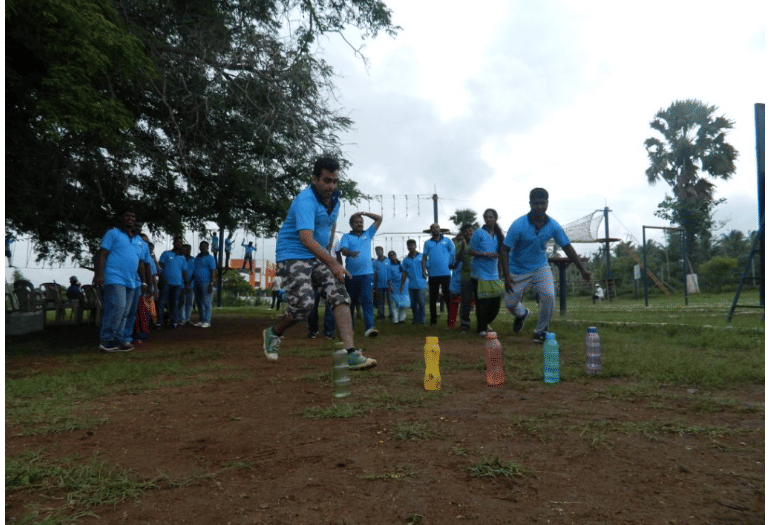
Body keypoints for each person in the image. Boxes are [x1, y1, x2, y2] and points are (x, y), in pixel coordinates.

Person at [262, 157, 377, 370]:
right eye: (326, 181)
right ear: (314, 179)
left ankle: (351, 353)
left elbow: (330, 225)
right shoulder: (305, 201)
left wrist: (329, 252)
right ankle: (274, 332)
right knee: (303, 306)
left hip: (318, 254)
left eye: (334, 181)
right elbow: (306, 239)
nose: (331, 186)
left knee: (340, 295)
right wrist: (333, 263)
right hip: (293, 254)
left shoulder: (335, 200)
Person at [500, 188, 591, 343]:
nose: (539, 207)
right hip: (517, 269)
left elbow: (567, 247)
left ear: (547, 203)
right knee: (510, 303)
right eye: (536, 203)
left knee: (549, 295)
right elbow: (504, 249)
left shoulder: (553, 226)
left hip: (540, 267)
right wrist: (507, 275)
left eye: (542, 203)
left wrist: (582, 269)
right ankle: (522, 314)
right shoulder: (518, 225)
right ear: (530, 204)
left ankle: (541, 331)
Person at [93, 211, 145, 352]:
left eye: (133, 216)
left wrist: (142, 281)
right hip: (114, 277)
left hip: (131, 280)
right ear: (121, 218)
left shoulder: (138, 239)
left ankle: (119, 340)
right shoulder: (113, 233)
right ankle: (107, 340)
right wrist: (99, 274)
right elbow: (101, 254)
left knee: (125, 312)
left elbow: (139, 261)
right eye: (127, 216)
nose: (130, 218)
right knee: (117, 308)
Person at [339, 211, 383, 338]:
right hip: (351, 275)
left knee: (367, 301)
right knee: (350, 303)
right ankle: (349, 329)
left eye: (361, 222)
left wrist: (364, 213)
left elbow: (379, 218)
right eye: (357, 222)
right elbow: (343, 250)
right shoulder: (346, 236)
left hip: (367, 275)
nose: (359, 224)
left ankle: (369, 328)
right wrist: (349, 253)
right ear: (351, 224)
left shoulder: (368, 233)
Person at [470, 209, 505, 336]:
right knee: (482, 303)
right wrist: (485, 254)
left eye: (491, 217)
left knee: (495, 303)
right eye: (487, 217)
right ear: (484, 219)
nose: (489, 219)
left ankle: (484, 323)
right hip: (479, 274)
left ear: (496, 218)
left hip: (494, 274)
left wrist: (501, 270)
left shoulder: (499, 234)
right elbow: (470, 251)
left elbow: (502, 254)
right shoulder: (479, 233)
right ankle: (481, 328)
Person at [422, 223, 455, 326]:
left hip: (445, 273)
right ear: (431, 230)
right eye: (433, 228)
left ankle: (451, 321)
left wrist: (453, 265)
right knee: (433, 298)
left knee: (448, 297)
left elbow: (453, 253)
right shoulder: (427, 243)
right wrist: (424, 269)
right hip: (432, 274)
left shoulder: (447, 241)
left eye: (437, 227)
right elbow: (424, 258)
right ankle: (433, 321)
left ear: (440, 229)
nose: (435, 229)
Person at [307, 234, 340, 339]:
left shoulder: (335, 238)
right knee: (313, 304)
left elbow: (338, 256)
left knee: (329, 304)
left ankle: (327, 331)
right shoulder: (313, 235)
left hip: (329, 274)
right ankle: (316, 330)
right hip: (315, 273)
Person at [157, 236, 189, 329]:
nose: (180, 244)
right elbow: (160, 267)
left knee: (175, 303)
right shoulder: (166, 254)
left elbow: (184, 271)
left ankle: (173, 321)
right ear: (174, 243)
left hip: (177, 284)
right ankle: (159, 322)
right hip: (166, 283)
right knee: (162, 302)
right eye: (178, 242)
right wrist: (161, 278)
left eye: (181, 242)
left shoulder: (182, 258)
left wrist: (186, 283)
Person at [455, 224, 475, 332]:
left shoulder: (477, 242)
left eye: (470, 230)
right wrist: (463, 245)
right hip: (466, 276)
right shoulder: (459, 245)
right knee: (466, 301)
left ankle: (483, 324)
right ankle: (465, 324)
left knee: (480, 301)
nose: (468, 233)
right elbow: (458, 259)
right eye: (466, 231)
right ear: (463, 234)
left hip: (478, 275)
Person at [401, 239, 426, 324]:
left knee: (421, 303)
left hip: (421, 284)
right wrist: (402, 284)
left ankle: (422, 319)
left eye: (412, 245)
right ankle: (415, 319)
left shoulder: (422, 256)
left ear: (415, 246)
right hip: (411, 285)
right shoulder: (406, 260)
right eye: (409, 245)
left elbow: (427, 266)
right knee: (413, 304)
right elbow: (404, 273)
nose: (411, 247)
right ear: (407, 247)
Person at [193, 241, 217, 327]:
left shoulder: (210, 258)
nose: (202, 248)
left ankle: (207, 321)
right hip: (197, 282)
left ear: (207, 248)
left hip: (206, 282)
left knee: (206, 302)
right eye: (201, 246)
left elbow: (213, 271)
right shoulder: (197, 257)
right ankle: (201, 320)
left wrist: (211, 283)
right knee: (199, 302)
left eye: (204, 246)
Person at [387, 250, 409, 323]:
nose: (392, 256)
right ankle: (395, 320)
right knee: (394, 304)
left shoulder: (402, 264)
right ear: (389, 257)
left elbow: (406, 273)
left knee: (404, 304)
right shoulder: (389, 267)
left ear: (396, 255)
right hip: (394, 286)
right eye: (390, 255)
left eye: (393, 254)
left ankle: (401, 319)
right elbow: (389, 278)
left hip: (404, 286)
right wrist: (390, 286)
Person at [179, 244, 196, 325]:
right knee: (182, 302)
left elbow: (195, 272)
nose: (187, 251)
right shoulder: (180, 258)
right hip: (181, 284)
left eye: (189, 249)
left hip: (191, 284)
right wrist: (185, 282)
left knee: (189, 302)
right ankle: (182, 319)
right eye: (186, 249)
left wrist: (189, 282)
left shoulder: (193, 259)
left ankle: (187, 318)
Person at [372, 246, 390, 321]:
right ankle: (381, 315)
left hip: (389, 285)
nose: (377, 252)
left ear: (382, 251)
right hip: (379, 285)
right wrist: (374, 286)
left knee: (390, 301)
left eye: (379, 251)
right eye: (376, 251)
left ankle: (392, 315)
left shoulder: (389, 260)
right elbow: (374, 274)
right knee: (380, 302)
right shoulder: (374, 263)